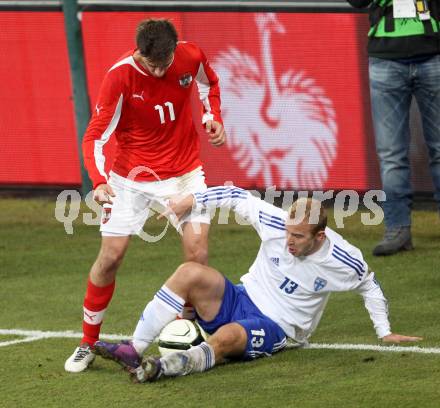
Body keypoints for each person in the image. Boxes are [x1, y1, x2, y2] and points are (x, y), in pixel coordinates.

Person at [93, 186, 422, 383]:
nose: (288, 241)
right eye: (288, 232)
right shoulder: (276, 223)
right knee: (189, 271)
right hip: (240, 297)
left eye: (297, 237)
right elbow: (235, 196)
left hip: (278, 326)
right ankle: (132, 350)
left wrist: (384, 330)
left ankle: (165, 367)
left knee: (230, 336)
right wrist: (190, 200)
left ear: (319, 236)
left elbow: (369, 285)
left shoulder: (343, 259)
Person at [64, 18, 226, 373]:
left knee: (197, 254)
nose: (158, 70)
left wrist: (213, 117)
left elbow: (208, 83)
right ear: (139, 52)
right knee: (110, 257)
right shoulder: (119, 77)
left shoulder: (189, 56)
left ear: (173, 51)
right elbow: (95, 136)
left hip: (184, 173)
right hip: (130, 178)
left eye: (164, 64)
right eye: (151, 64)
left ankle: (191, 334)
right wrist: (99, 180)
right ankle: (88, 342)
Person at [347, 0, 440, 256]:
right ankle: (397, 229)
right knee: (391, 155)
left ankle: (398, 229)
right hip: (386, 59)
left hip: (433, 51)